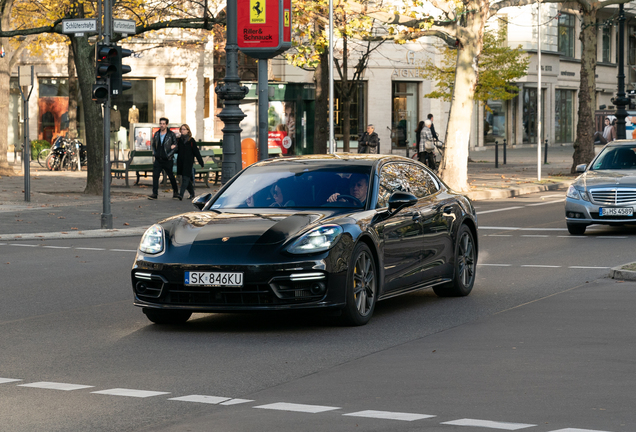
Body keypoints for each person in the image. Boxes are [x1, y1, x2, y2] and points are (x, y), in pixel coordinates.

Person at [149, 117, 179, 200]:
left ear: (166, 125)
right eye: (160, 123)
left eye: (163, 124)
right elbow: (153, 145)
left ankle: (176, 192)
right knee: (155, 176)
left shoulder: (171, 134)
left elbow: (175, 146)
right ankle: (154, 193)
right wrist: (155, 153)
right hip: (158, 159)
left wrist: (168, 155)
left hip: (167, 159)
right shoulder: (157, 134)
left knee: (171, 176)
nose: (162, 125)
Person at [175, 124, 205, 201]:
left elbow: (196, 152)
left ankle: (181, 194)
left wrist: (201, 162)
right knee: (185, 178)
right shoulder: (179, 140)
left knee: (185, 178)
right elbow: (176, 150)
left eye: (184, 129)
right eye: (181, 129)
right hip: (180, 162)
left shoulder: (191, 141)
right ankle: (192, 193)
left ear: (188, 130)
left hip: (188, 162)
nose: (182, 131)